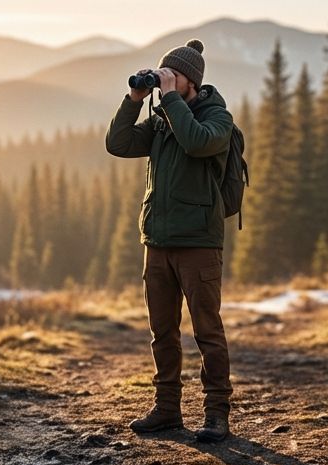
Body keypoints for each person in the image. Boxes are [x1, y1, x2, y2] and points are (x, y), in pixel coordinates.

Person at [104, 39, 234, 443]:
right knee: (162, 331)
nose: (164, 81)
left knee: (207, 331)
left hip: (198, 242)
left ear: (190, 81)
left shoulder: (218, 119)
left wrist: (170, 99)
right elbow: (119, 144)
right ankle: (167, 410)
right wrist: (134, 98)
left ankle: (216, 414)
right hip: (157, 241)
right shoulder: (161, 121)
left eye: (171, 75)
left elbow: (197, 141)